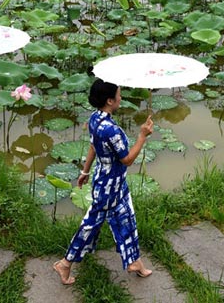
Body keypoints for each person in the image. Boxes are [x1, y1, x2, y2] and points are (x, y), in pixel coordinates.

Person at [53, 78, 155, 285]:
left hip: (112, 182)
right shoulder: (110, 129)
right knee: (90, 225)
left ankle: (134, 261)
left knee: (127, 218)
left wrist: (85, 171)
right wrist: (142, 136)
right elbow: (126, 159)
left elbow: (93, 146)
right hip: (109, 186)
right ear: (110, 100)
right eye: (118, 94)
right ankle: (65, 263)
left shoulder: (94, 119)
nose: (121, 97)